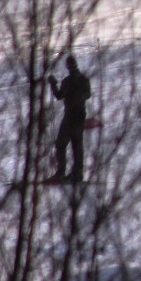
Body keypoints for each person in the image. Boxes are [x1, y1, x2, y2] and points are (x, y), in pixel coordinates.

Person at [48, 54, 92, 184]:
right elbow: (87, 94)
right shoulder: (83, 79)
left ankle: (62, 172)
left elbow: (58, 96)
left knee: (62, 145)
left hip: (70, 118)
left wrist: (53, 84)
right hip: (79, 116)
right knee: (76, 145)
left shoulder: (68, 81)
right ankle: (77, 173)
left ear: (67, 66)